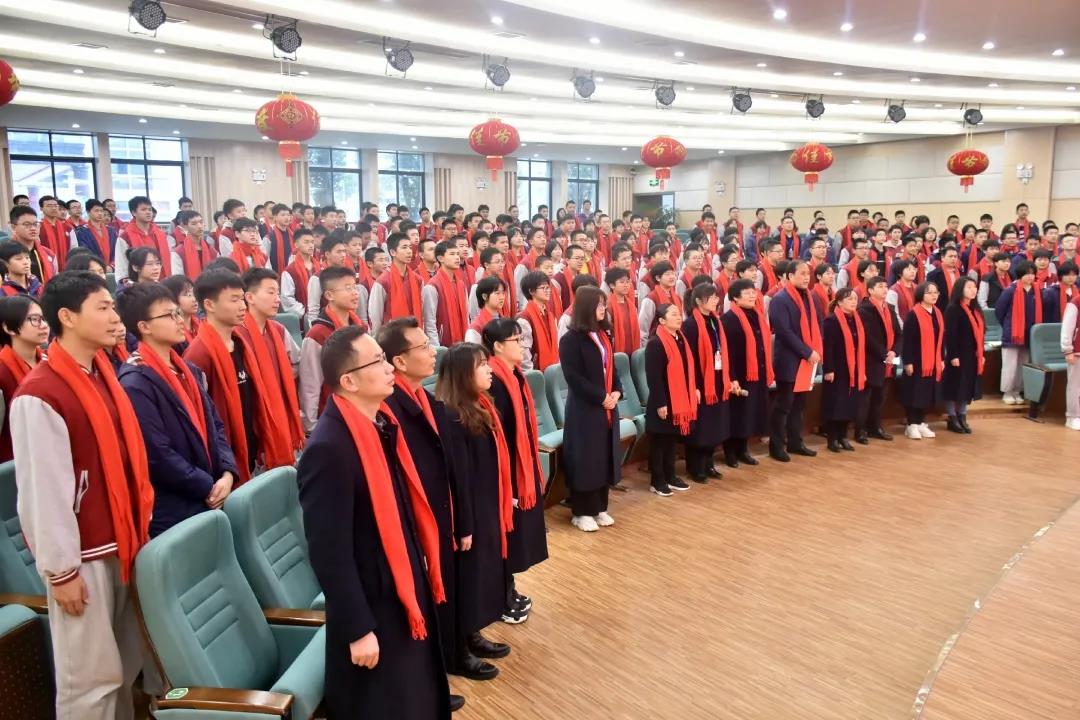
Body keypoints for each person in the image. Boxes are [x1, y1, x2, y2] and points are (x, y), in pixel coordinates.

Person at [12, 271, 154, 720]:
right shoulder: (41, 393)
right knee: (90, 680)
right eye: (103, 308)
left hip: (123, 540)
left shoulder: (101, 375)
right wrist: (61, 572)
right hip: (83, 556)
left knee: (123, 667)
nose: (115, 318)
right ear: (68, 317)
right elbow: (44, 493)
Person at [297, 326, 451, 719]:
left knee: (416, 695)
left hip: (401, 584)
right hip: (374, 603)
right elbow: (328, 551)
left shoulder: (380, 423)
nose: (388, 369)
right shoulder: (329, 448)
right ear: (348, 381)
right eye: (378, 362)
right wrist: (357, 628)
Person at [377, 318, 467, 711]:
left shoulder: (425, 399)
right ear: (399, 360)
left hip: (439, 513)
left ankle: (450, 659)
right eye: (423, 347)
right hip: (416, 521)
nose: (433, 352)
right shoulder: (389, 409)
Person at [116, 283, 238, 536]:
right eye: (169, 315)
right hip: (176, 507)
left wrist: (227, 473)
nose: (180, 320)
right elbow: (158, 454)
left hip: (212, 489)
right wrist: (207, 485)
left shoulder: (187, 370)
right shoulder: (135, 382)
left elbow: (215, 424)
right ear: (144, 327)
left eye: (177, 313)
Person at [435, 342, 517, 670]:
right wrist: (465, 525)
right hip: (470, 512)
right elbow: (459, 476)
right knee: (467, 580)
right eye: (481, 364)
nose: (488, 369)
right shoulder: (452, 415)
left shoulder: (481, 404)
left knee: (479, 576)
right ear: (462, 374)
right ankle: (459, 650)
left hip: (486, 504)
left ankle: (473, 633)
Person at [482, 318, 548, 618]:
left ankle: (508, 588)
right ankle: (500, 597)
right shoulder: (493, 381)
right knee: (505, 535)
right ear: (497, 346)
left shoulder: (516, 375)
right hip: (504, 471)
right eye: (516, 340)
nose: (523, 346)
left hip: (521, 465)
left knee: (516, 535)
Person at [183, 270, 262, 482]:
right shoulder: (199, 354)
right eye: (234, 300)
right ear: (209, 305)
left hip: (250, 448)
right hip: (225, 461)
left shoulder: (240, 343)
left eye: (242, 298)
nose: (243, 306)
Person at [559, 286, 622, 530]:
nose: (603, 309)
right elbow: (574, 378)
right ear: (586, 307)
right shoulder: (571, 340)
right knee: (586, 459)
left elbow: (612, 369)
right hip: (585, 409)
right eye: (599, 305)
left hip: (607, 405)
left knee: (603, 457)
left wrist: (616, 391)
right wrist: (601, 397)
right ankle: (581, 512)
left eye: (604, 304)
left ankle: (600, 507)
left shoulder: (604, 335)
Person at [237, 268, 305, 461]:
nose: (277, 299)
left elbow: (297, 363)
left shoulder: (279, 331)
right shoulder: (237, 335)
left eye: (278, 293)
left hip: (280, 407)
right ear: (249, 297)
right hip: (253, 415)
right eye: (271, 292)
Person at [767, 260, 822, 462]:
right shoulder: (780, 299)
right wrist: (807, 352)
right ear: (790, 276)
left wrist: (815, 349)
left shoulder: (810, 297)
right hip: (789, 359)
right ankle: (776, 446)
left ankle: (795, 442)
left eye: (808, 273)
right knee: (784, 405)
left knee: (799, 405)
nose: (807, 277)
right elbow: (784, 332)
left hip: (806, 360)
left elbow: (818, 323)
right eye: (802, 273)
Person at [300, 265, 365, 432]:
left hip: (361, 407)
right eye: (348, 288)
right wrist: (311, 426)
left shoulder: (359, 327)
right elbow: (310, 384)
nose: (355, 293)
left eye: (355, 286)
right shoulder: (318, 334)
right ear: (329, 295)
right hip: (333, 414)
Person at [644, 302, 698, 495]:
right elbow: (654, 377)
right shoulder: (656, 343)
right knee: (659, 443)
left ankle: (671, 476)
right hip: (663, 400)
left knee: (671, 441)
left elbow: (688, 369)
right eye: (673, 314)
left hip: (679, 399)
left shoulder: (681, 339)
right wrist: (661, 403)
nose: (678, 317)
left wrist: (694, 389)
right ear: (661, 320)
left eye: (678, 313)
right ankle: (657, 480)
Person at [682, 282, 731, 483]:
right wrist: (694, 386)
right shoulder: (690, 325)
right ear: (699, 301)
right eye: (711, 298)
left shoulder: (715, 320)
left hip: (717, 380)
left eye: (716, 297)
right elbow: (689, 358)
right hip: (701, 382)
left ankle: (709, 464)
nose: (716, 300)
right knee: (700, 427)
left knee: (714, 425)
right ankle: (695, 467)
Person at [720, 279, 770, 468]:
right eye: (747, 293)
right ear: (735, 297)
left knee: (750, 414)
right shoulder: (729, 319)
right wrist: (732, 377)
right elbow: (727, 354)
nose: (752, 296)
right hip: (739, 375)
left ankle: (743, 450)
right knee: (737, 414)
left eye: (753, 292)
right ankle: (730, 452)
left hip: (756, 373)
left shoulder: (757, 315)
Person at [995, 261, 1051, 405]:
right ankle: (1007, 392)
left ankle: (1017, 391)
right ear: (1020, 275)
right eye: (1027, 274)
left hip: (1029, 334)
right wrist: (1010, 326)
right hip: (1012, 334)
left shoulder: (1037, 291)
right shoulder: (1010, 290)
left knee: (1023, 364)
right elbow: (999, 312)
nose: (1030, 277)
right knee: (1010, 365)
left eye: (1032, 274)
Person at [0, 295, 48, 460]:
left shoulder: (49, 363)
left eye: (43, 319)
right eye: (34, 319)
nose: (43, 325)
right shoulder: (3, 372)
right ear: (9, 328)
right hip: (14, 461)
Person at [820, 288, 867, 452]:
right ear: (839, 302)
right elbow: (827, 348)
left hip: (853, 369)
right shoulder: (831, 321)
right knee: (836, 405)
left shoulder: (856, 320)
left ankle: (843, 437)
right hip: (837, 369)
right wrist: (829, 369)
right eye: (849, 299)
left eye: (855, 299)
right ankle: (832, 439)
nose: (853, 302)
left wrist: (862, 370)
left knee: (849, 404)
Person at [856, 276, 902, 442]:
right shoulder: (864, 310)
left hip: (889, 360)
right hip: (872, 359)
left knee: (880, 398)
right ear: (870, 290)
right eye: (880, 286)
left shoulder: (889, 308)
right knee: (865, 398)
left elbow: (899, 334)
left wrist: (894, 352)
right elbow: (867, 337)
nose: (885, 289)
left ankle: (875, 427)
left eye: (886, 286)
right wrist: (884, 354)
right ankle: (860, 430)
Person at [900, 282, 944, 439]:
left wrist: (942, 358)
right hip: (917, 361)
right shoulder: (914, 314)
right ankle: (911, 424)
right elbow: (907, 341)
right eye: (929, 292)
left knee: (926, 394)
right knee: (915, 393)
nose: (934, 295)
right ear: (921, 295)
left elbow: (941, 339)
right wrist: (908, 362)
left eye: (936, 292)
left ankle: (921, 423)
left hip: (933, 361)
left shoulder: (937, 313)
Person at [942, 277, 985, 434]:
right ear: (960, 289)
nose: (973, 290)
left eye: (974, 287)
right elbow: (950, 335)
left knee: (966, 387)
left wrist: (981, 353)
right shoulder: (953, 309)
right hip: (957, 355)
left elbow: (981, 334)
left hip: (972, 355)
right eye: (969, 287)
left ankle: (962, 415)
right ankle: (952, 417)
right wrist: (953, 355)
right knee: (954, 386)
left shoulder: (976, 309)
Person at [369, 233, 424, 334]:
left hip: (415, 333)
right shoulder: (383, 282)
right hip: (391, 335)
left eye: (410, 247)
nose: (409, 251)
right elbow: (375, 316)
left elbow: (422, 311)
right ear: (393, 252)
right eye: (404, 247)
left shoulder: (418, 280)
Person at [423, 240, 469, 347]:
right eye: (452, 254)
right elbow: (430, 322)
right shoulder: (432, 286)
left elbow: (466, 316)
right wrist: (437, 349)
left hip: (463, 341)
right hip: (443, 344)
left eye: (457, 254)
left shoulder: (461, 284)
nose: (457, 257)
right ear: (440, 258)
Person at [115, 195, 171, 280]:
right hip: (138, 283)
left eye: (150, 209)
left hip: (163, 281)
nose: (148, 212)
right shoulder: (125, 237)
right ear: (134, 213)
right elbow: (121, 266)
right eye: (143, 209)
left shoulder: (160, 234)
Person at [516, 270, 559, 371]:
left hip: (552, 370)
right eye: (543, 288)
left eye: (548, 287)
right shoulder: (524, 318)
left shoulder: (549, 314)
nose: (547, 291)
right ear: (531, 291)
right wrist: (533, 375)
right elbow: (524, 353)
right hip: (536, 372)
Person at [279, 227, 320, 321]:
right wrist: (305, 312)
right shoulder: (290, 271)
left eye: (312, 242)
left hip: (321, 314)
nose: (311, 245)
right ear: (296, 244)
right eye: (306, 242)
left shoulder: (319, 267)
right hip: (303, 316)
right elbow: (287, 299)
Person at [10, 205, 58, 283]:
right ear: (13, 227)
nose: (33, 228)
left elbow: (55, 280)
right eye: (27, 224)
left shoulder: (49, 254)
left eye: (35, 224)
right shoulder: (5, 254)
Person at [170, 209, 218, 279]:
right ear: (185, 226)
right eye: (194, 224)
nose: (199, 226)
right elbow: (178, 279)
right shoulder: (179, 252)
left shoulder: (211, 249)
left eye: (201, 222)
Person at [74, 199, 118, 269]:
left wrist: (112, 266)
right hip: (93, 268)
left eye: (101, 211)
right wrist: (99, 267)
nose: (100, 213)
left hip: (111, 268)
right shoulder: (82, 231)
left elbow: (117, 250)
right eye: (96, 211)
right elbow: (85, 253)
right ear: (88, 212)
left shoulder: (111, 230)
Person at [1060, 289, 1080, 431]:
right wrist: (1067, 349)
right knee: (1075, 385)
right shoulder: (1075, 302)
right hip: (1077, 351)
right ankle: (1072, 417)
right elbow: (1067, 327)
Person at [465, 276, 506, 345]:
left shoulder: (504, 320)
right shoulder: (476, 328)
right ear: (484, 296)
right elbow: (473, 351)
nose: (502, 297)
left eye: (503, 293)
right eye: (497, 293)